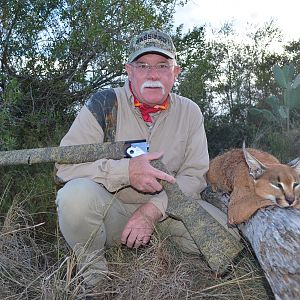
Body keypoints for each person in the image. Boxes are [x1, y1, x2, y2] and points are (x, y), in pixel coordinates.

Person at [55, 29, 210, 288]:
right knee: (74, 198)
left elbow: (195, 176)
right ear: (129, 70)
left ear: (176, 72)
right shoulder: (103, 104)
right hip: (112, 214)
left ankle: (167, 258)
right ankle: (96, 278)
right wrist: (126, 172)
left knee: (224, 237)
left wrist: (152, 211)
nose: (152, 74)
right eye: (142, 65)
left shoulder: (190, 112)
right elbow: (65, 166)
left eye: (162, 65)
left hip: (169, 213)